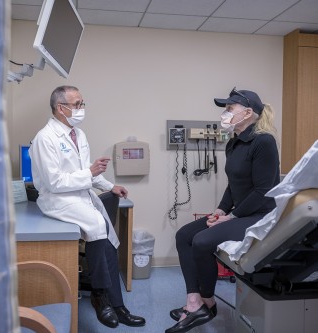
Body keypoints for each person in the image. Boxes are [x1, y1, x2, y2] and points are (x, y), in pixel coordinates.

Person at [29, 85, 146, 329]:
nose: (82, 108)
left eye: (82, 103)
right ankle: (99, 295)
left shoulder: (78, 134)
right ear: (61, 108)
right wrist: (90, 172)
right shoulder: (45, 138)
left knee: (110, 243)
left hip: (81, 196)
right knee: (96, 226)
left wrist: (109, 184)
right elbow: (55, 182)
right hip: (57, 199)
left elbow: (85, 173)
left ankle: (118, 306)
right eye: (77, 104)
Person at [166, 88, 280, 333]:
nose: (224, 114)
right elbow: (233, 185)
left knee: (202, 241)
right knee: (184, 235)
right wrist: (220, 210)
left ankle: (207, 301)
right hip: (240, 212)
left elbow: (262, 191)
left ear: (248, 113)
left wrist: (231, 217)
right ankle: (193, 301)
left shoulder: (264, 142)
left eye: (229, 109)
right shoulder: (233, 143)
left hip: (260, 215)